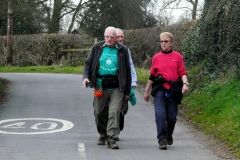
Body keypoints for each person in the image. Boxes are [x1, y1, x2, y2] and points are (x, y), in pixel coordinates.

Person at [83, 26, 132, 149]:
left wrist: (127, 91)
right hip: (100, 85)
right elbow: (88, 63)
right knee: (99, 112)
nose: (109, 39)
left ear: (116, 38)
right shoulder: (97, 47)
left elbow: (127, 71)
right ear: (104, 36)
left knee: (114, 112)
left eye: (112, 37)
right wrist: (86, 77)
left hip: (117, 86)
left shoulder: (122, 50)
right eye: (107, 36)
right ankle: (102, 134)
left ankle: (112, 139)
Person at [143, 32, 189, 150]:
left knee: (172, 117)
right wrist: (147, 91)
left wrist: (185, 84)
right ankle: (161, 140)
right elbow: (152, 76)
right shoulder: (156, 57)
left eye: (166, 41)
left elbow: (182, 72)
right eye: (161, 41)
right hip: (160, 89)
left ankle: (169, 134)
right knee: (160, 114)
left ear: (171, 43)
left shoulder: (178, 56)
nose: (163, 43)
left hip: (173, 90)